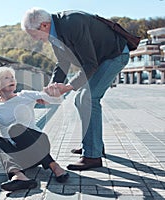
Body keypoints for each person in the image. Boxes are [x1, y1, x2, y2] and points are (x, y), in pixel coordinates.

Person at [21, 8, 130, 170]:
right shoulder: (54, 33)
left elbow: (90, 63)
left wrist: (67, 88)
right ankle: (94, 144)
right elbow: (62, 64)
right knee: (80, 100)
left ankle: (93, 156)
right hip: (99, 59)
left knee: (88, 97)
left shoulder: (72, 23)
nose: (34, 39)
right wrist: (49, 91)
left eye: (33, 34)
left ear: (43, 25)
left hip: (115, 55)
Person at [0, 66, 69, 191]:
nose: (12, 80)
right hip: (22, 157)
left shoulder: (25, 95)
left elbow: (56, 100)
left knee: (15, 129)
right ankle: (18, 176)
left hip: (39, 144)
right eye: (6, 78)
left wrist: (55, 93)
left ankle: (54, 166)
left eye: (12, 77)